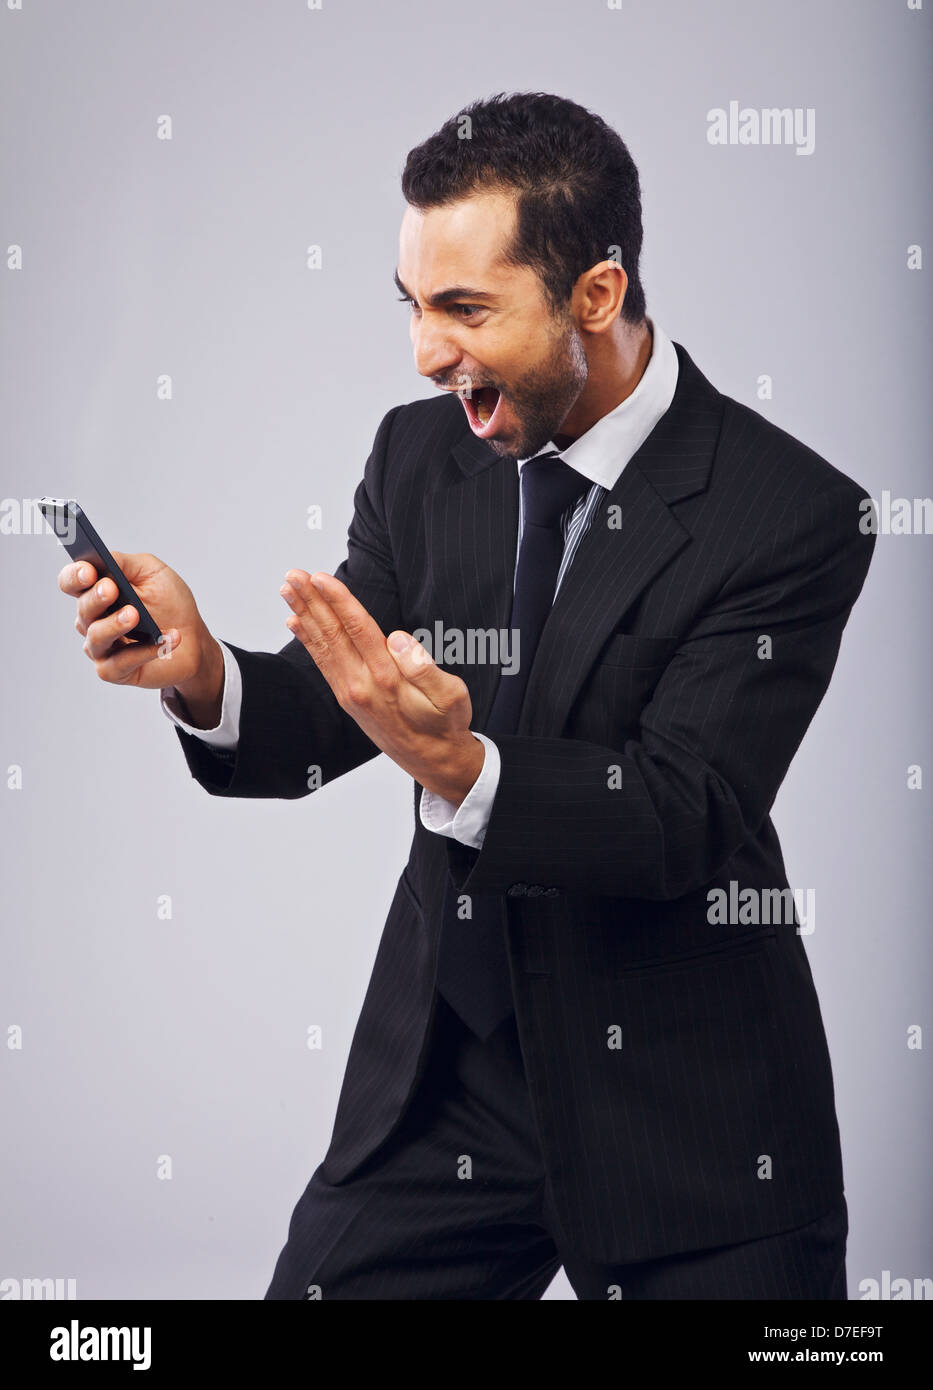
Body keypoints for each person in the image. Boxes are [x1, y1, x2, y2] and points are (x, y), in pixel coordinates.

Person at [60, 92, 875, 1300]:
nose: (428, 352)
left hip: (694, 1117)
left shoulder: (791, 512)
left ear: (595, 298)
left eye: (464, 309)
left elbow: (682, 812)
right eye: (414, 306)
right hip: (450, 1083)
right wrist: (204, 675)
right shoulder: (421, 454)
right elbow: (338, 708)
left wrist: (464, 768)